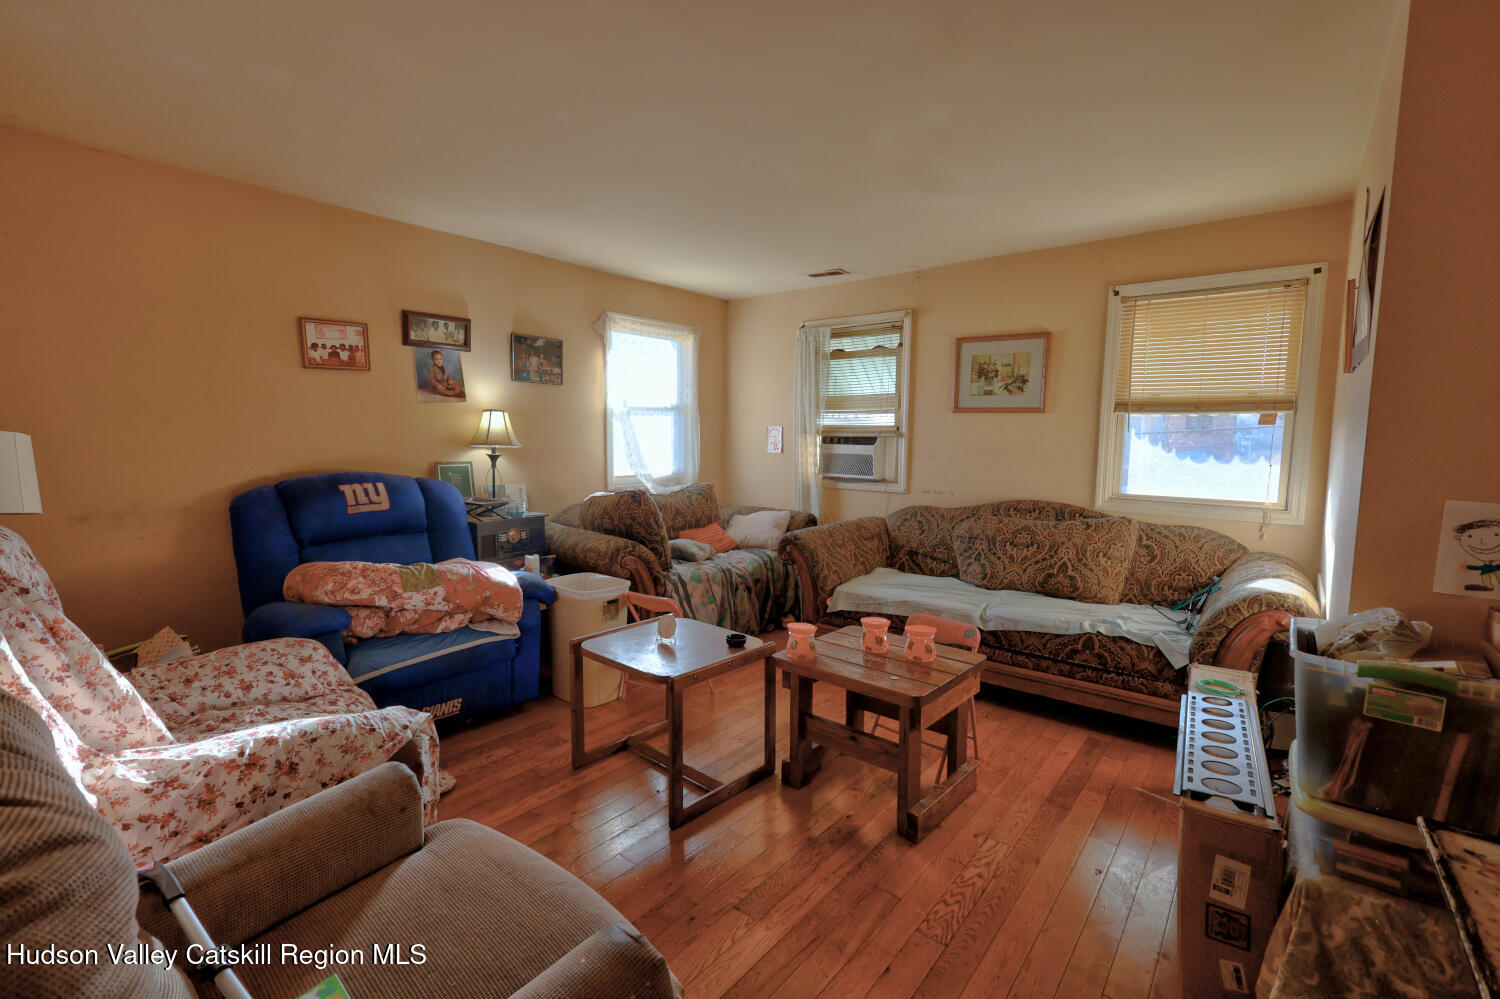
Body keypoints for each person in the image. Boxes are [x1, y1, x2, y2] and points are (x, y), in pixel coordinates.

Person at [1455, 519, 1500, 592]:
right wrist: (1468, 567)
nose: (1483, 542)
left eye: (1496, 534)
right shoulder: (1486, 567)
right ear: (1459, 538)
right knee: (1487, 575)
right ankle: (1488, 586)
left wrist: (1468, 567)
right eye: (1470, 536)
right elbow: (1479, 568)